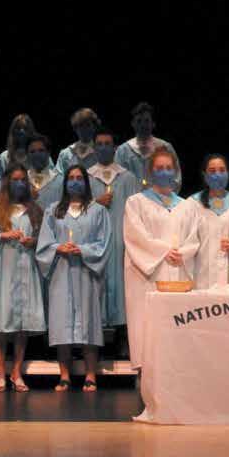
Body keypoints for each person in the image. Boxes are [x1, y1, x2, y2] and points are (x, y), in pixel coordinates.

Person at [124, 149, 201, 373]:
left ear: (175, 171)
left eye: (168, 168)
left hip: (177, 271)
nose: (164, 172)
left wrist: (182, 253)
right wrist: (164, 251)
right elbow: (136, 236)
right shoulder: (136, 202)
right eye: (159, 168)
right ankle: (146, 374)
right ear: (150, 171)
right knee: (147, 324)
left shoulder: (187, 206)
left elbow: (194, 238)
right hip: (147, 274)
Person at [36, 165, 112, 392]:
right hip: (61, 273)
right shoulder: (53, 211)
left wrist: (83, 250)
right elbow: (44, 244)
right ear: (65, 182)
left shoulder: (98, 211)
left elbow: (104, 243)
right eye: (71, 178)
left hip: (87, 273)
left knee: (89, 322)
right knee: (61, 324)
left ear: (86, 183)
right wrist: (58, 248)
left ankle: (91, 375)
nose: (75, 182)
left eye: (79, 178)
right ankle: (64, 376)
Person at [0, 164, 46, 392]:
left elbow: (45, 240)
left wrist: (34, 242)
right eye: (15, 180)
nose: (19, 184)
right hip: (3, 270)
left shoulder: (35, 210)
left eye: (23, 180)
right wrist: (2, 236)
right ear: (7, 182)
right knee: (1, 322)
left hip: (26, 268)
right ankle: (0, 372)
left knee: (22, 323)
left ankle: (16, 371)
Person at [87, 127, 140, 351]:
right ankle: (94, 341)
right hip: (95, 241)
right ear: (93, 148)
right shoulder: (86, 177)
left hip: (120, 240)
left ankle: (122, 336)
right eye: (99, 144)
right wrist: (94, 203)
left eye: (107, 144)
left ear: (115, 148)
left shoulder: (127, 177)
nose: (103, 148)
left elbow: (137, 212)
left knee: (121, 286)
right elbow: (76, 209)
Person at [189, 154, 229, 290]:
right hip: (202, 275)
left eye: (222, 170)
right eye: (212, 171)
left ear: (228, 173)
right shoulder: (193, 203)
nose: (217, 174)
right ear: (204, 175)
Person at [115, 102, 182, 191]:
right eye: (139, 121)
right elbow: (118, 180)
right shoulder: (123, 151)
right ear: (133, 124)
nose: (143, 125)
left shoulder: (165, 148)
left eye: (146, 121)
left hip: (160, 197)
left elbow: (176, 177)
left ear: (153, 124)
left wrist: (164, 195)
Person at [56, 108, 101, 174]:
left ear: (94, 127)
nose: (84, 129)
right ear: (75, 128)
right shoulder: (66, 154)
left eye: (88, 125)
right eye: (80, 125)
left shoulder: (103, 151)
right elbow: (59, 177)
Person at [26, 133, 63, 210]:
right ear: (27, 155)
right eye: (32, 152)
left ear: (48, 153)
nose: (37, 155)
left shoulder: (60, 181)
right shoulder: (21, 180)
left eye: (41, 150)